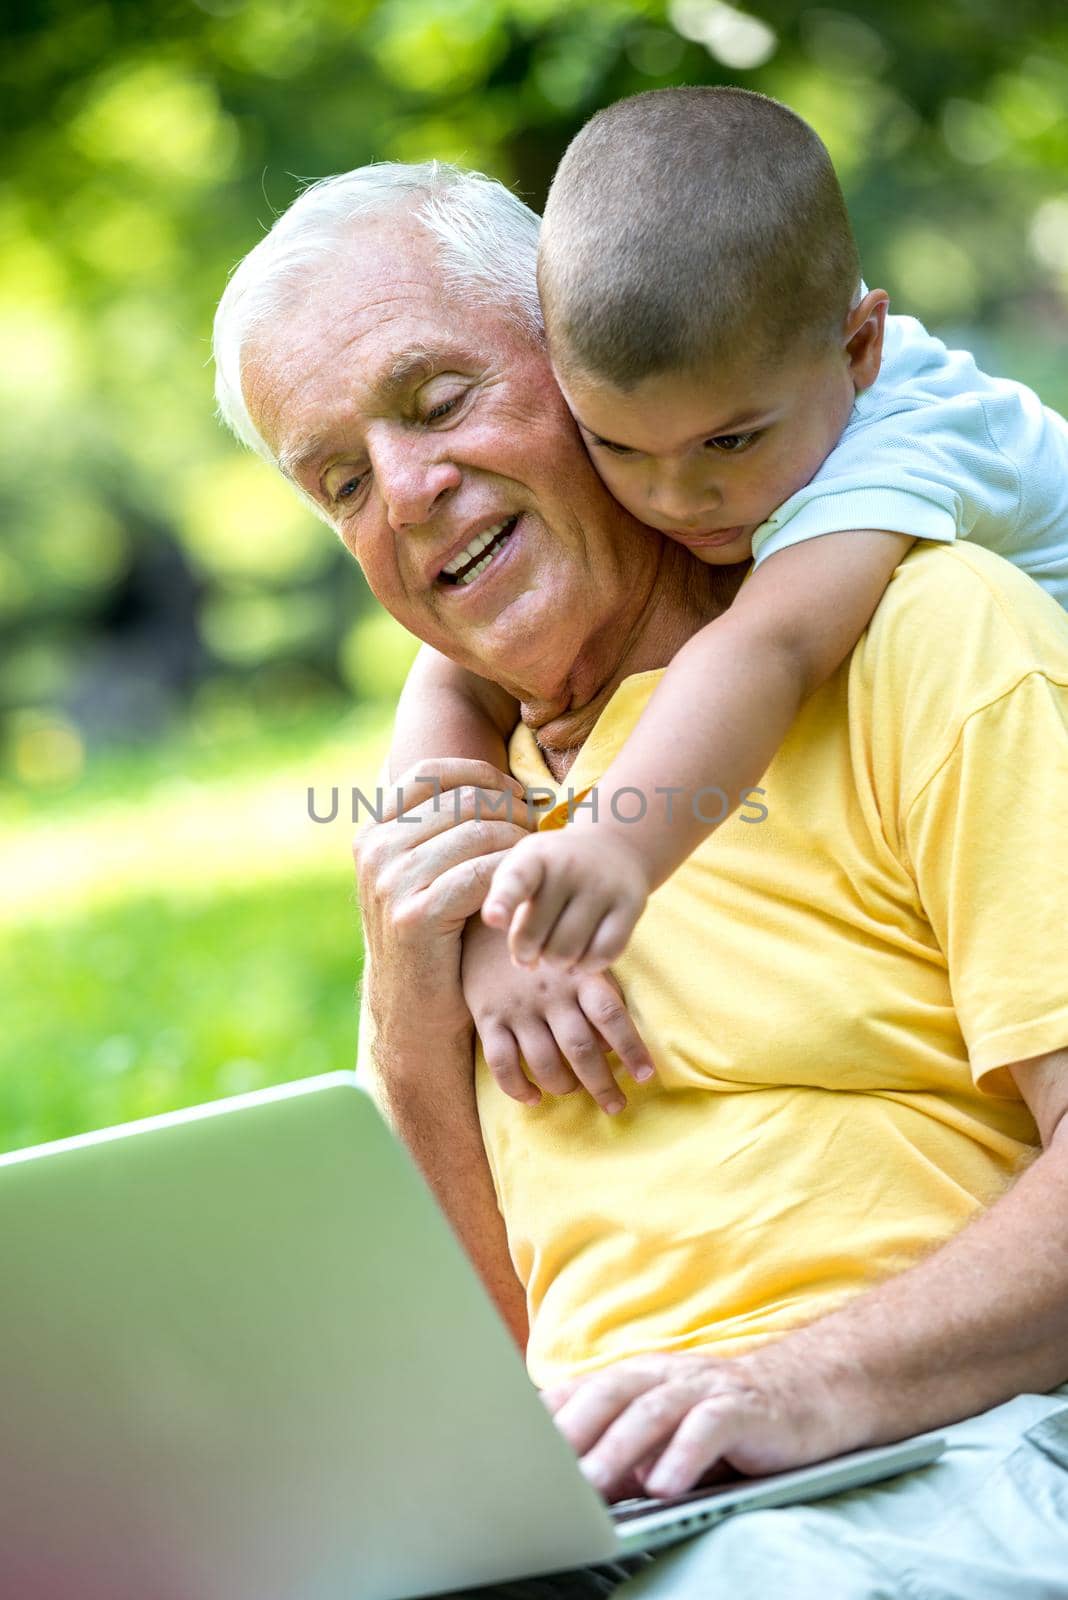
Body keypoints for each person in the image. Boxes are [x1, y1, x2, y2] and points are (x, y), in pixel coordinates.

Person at [211, 160, 1068, 1596]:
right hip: (595, 1513)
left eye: (437, 403)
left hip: (933, 1458)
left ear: (579, 362)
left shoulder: (924, 628)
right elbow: (476, 1363)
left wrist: (795, 1389)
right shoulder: (458, 807)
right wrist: (413, 990)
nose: (410, 495)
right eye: (343, 481)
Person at [386, 89, 1068, 1115]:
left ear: (858, 350)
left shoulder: (913, 440)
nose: (675, 497)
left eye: (730, 443)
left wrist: (618, 843)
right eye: (617, 448)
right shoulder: (743, 403)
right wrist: (477, 902)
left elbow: (771, 648)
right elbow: (450, 668)